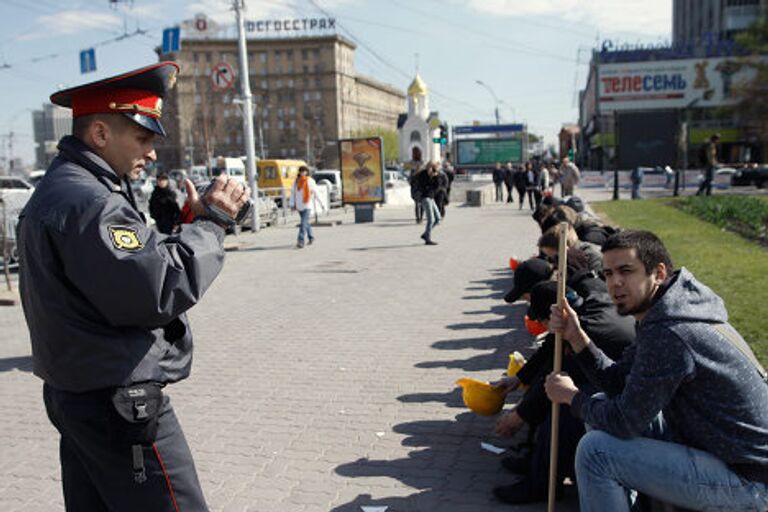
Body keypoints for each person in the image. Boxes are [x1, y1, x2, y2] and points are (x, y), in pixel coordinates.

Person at [17, 62, 251, 511]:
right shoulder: (91, 201)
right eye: (143, 138)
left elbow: (115, 270)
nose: (151, 153)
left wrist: (184, 228)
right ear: (101, 134)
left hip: (80, 393)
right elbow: (158, 289)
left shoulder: (65, 189)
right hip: (119, 403)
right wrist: (213, 222)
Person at [545, 230, 768, 512]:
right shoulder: (668, 312)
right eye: (608, 274)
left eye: (626, 271)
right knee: (600, 407)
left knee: (596, 453)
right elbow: (620, 384)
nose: (615, 283)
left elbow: (625, 422)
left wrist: (573, 398)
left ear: (659, 272)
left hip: (749, 482)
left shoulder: (671, 332)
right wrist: (576, 337)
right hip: (720, 453)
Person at [493, 280, 635, 505]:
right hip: (610, 380)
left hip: (622, 393)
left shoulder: (585, 329)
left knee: (562, 411)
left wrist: (519, 416)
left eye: (541, 319)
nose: (540, 323)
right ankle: (536, 459)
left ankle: (542, 484)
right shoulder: (585, 306)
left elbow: (556, 374)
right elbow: (549, 350)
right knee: (552, 399)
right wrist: (519, 378)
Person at [290, 165, 326, 248]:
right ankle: (311, 237)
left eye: (304, 171)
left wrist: (322, 204)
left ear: (307, 172)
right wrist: (292, 204)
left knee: (303, 223)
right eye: (301, 171)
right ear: (299, 172)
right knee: (305, 223)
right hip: (299, 205)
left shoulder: (310, 181)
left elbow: (317, 193)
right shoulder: (296, 182)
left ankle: (300, 240)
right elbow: (293, 194)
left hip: (307, 205)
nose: (303, 172)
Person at [417, 161, 442, 245]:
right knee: (431, 219)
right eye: (430, 166)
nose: (431, 168)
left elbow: (437, 187)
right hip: (425, 198)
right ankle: (428, 239)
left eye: (433, 167)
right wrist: (430, 177)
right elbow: (422, 186)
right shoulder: (422, 174)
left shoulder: (435, 175)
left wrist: (435, 176)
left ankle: (425, 234)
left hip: (431, 198)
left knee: (438, 218)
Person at [407, 147, 424, 223]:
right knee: (422, 202)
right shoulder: (422, 163)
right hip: (421, 186)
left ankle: (418, 218)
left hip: (415, 186)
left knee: (417, 203)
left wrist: (411, 183)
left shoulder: (412, 164)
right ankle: (421, 217)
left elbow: (410, 177)